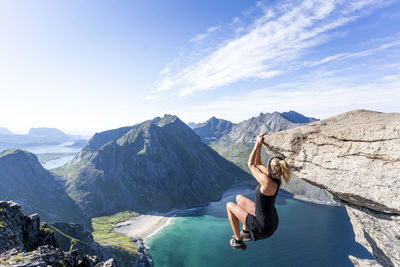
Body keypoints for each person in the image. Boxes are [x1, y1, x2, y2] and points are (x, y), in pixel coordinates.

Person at [226, 133, 292, 250]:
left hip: (263, 227)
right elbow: (258, 164)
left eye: (268, 165)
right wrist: (260, 145)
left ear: (271, 169)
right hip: (269, 219)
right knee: (239, 199)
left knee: (229, 206)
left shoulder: (267, 183)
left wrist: (256, 145)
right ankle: (245, 233)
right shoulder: (277, 179)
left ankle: (238, 241)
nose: (265, 166)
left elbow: (251, 165)